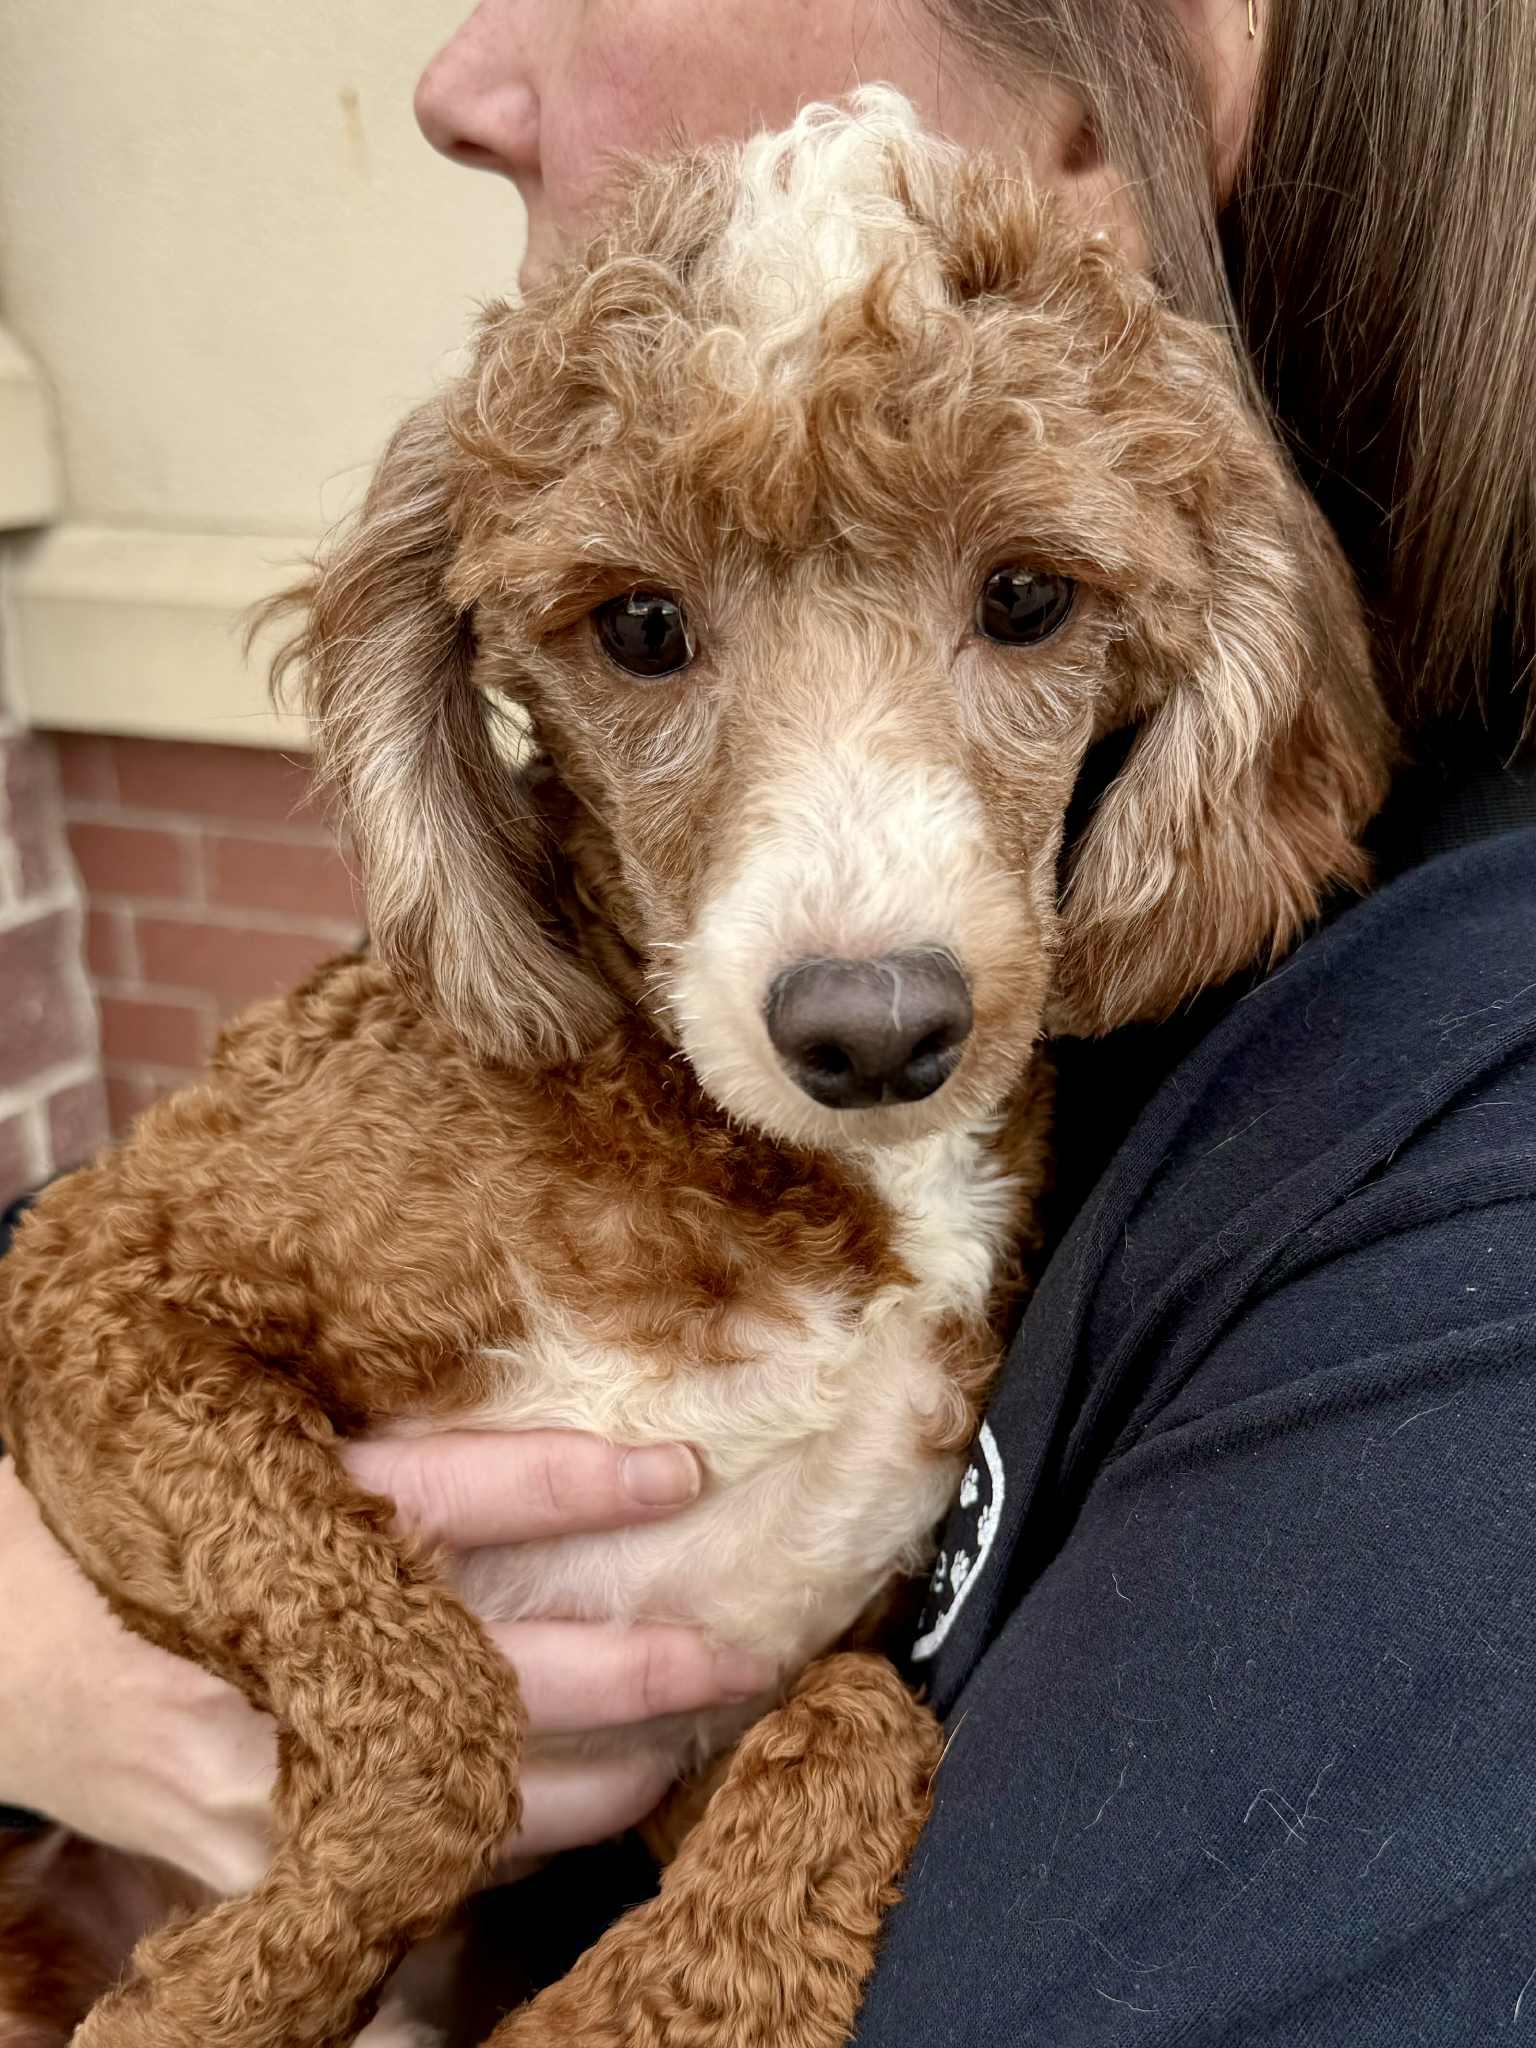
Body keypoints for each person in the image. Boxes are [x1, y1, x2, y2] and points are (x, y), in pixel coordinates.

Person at [4, 1, 1534, 2035]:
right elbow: (106, 1290)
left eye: (1020, 609)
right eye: (643, 632)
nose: (457, 83)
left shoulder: (1443, 1135)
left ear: (1135, 87)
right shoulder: (499, 1056)